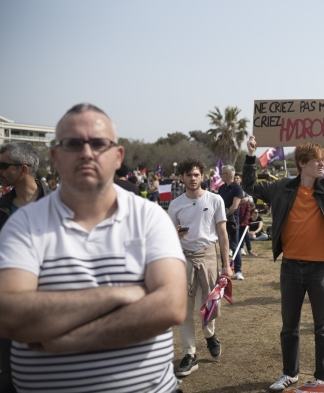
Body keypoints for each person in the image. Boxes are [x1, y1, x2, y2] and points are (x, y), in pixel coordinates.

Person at [0, 103, 187, 393]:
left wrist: (68, 341)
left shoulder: (151, 218)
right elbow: (9, 313)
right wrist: (120, 293)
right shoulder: (22, 224)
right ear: (55, 157)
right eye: (73, 144)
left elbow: (171, 306)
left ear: (117, 156)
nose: (86, 152)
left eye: (99, 144)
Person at [242, 133, 324, 392]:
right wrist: (249, 155)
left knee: (322, 326)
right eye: (317, 160)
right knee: (289, 326)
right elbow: (249, 185)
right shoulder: (282, 188)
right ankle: (289, 374)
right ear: (302, 163)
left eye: (323, 160)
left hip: (319, 269)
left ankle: (322, 377)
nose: (322, 164)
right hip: (290, 267)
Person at [167, 158, 232, 377]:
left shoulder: (215, 200)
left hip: (208, 255)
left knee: (208, 305)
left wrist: (226, 265)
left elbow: (222, 233)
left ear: (202, 177)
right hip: (183, 257)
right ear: (182, 178)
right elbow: (167, 237)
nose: (193, 179)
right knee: (184, 309)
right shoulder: (175, 204)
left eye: (196, 175)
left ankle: (210, 335)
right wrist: (174, 234)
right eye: (188, 175)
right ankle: (190, 354)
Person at [0, 142, 53, 393]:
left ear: (23, 169)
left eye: (3, 165)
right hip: (9, 311)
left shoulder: (61, 204)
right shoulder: (1, 208)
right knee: (10, 380)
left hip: (52, 309)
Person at [218, 165, 244, 279]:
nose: (221, 175)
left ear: (228, 174)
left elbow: (234, 206)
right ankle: (224, 267)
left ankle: (238, 270)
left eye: (222, 173)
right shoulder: (221, 188)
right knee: (223, 245)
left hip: (232, 221)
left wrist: (223, 215)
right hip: (222, 221)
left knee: (234, 246)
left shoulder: (237, 188)